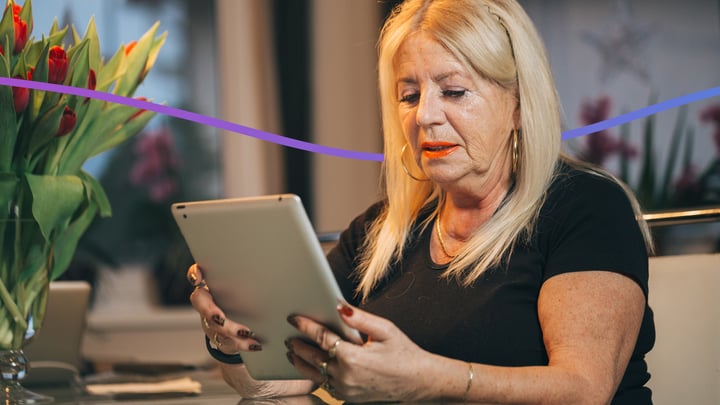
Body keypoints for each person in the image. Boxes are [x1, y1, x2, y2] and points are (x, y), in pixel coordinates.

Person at [188, 0, 655, 403]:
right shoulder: (382, 233)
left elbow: (584, 389)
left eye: (453, 91)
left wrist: (426, 378)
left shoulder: (588, 209)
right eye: (409, 95)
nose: (425, 115)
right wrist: (229, 339)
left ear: (517, 104)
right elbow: (278, 385)